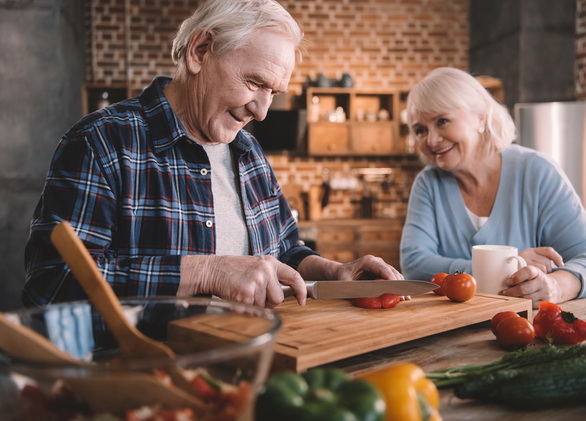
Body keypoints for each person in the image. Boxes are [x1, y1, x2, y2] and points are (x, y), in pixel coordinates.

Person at [23, 0, 402, 309]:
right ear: (200, 51)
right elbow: (53, 284)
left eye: (274, 92)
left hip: (254, 363)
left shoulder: (248, 151)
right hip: (146, 377)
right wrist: (206, 273)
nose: (262, 111)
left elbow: (284, 251)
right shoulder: (101, 142)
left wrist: (334, 272)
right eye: (254, 83)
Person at [400, 67, 586, 308]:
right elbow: (414, 265)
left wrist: (555, 286)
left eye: (443, 121)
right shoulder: (428, 184)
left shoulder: (537, 171)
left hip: (525, 331)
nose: (432, 140)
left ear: (480, 117)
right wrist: (501, 267)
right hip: (449, 331)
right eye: (420, 130)